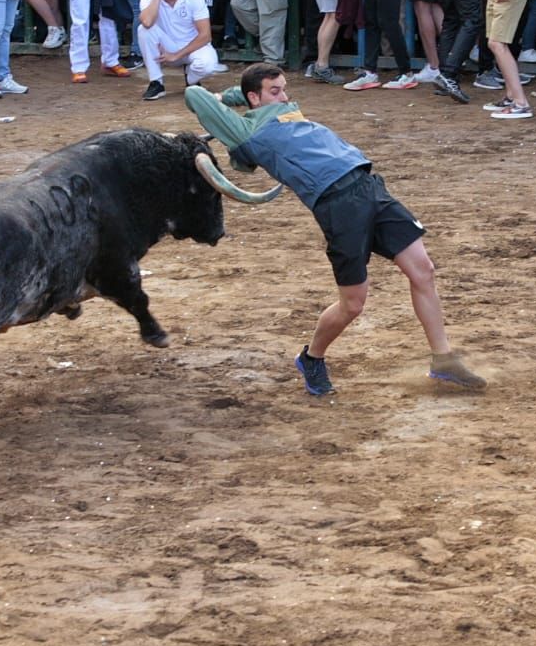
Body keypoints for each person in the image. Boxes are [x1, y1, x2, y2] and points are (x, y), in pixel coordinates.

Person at [185, 63, 485, 396]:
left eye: (284, 88)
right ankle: (312, 357)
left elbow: (249, 97)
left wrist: (235, 96)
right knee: (353, 304)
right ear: (253, 98)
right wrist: (222, 96)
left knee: (423, 270)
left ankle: (443, 359)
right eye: (275, 91)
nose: (285, 97)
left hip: (369, 186)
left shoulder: (284, 110)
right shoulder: (245, 132)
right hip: (337, 203)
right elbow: (194, 94)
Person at [136, 0, 219, 100]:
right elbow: (147, 22)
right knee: (143, 30)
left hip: (193, 46)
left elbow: (205, 35)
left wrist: (177, 55)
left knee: (208, 65)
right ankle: (156, 82)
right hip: (166, 48)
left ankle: (191, 81)